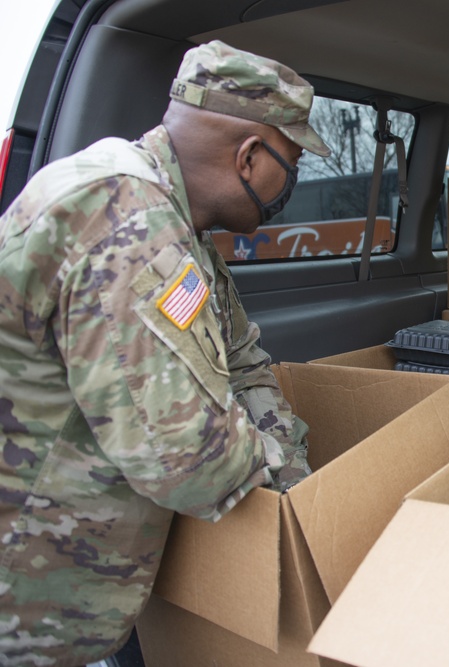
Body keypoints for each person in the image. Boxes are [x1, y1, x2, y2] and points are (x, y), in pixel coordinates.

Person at [0, 40, 330, 665]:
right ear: (250, 157)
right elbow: (190, 461)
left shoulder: (180, 229)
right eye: (290, 164)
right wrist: (286, 474)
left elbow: (244, 361)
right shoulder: (124, 218)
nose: (292, 183)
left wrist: (294, 479)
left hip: (85, 583)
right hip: (30, 605)